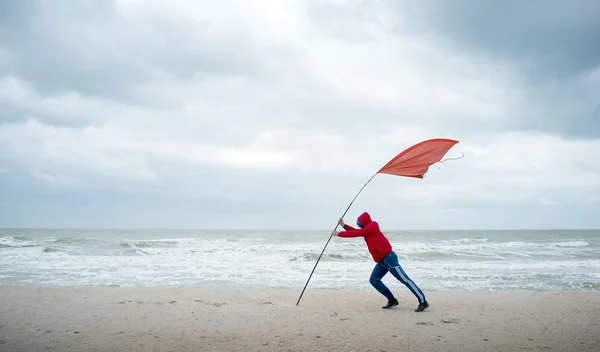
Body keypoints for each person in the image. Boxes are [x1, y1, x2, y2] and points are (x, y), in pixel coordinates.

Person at [331, 211, 429, 312]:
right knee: (374, 280)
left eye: (360, 223)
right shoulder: (367, 230)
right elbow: (357, 231)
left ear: (364, 222)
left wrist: (338, 234)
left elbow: (357, 232)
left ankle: (423, 301)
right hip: (382, 261)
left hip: (388, 258)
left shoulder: (373, 225)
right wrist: (343, 225)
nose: (359, 226)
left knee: (404, 279)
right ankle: (392, 300)